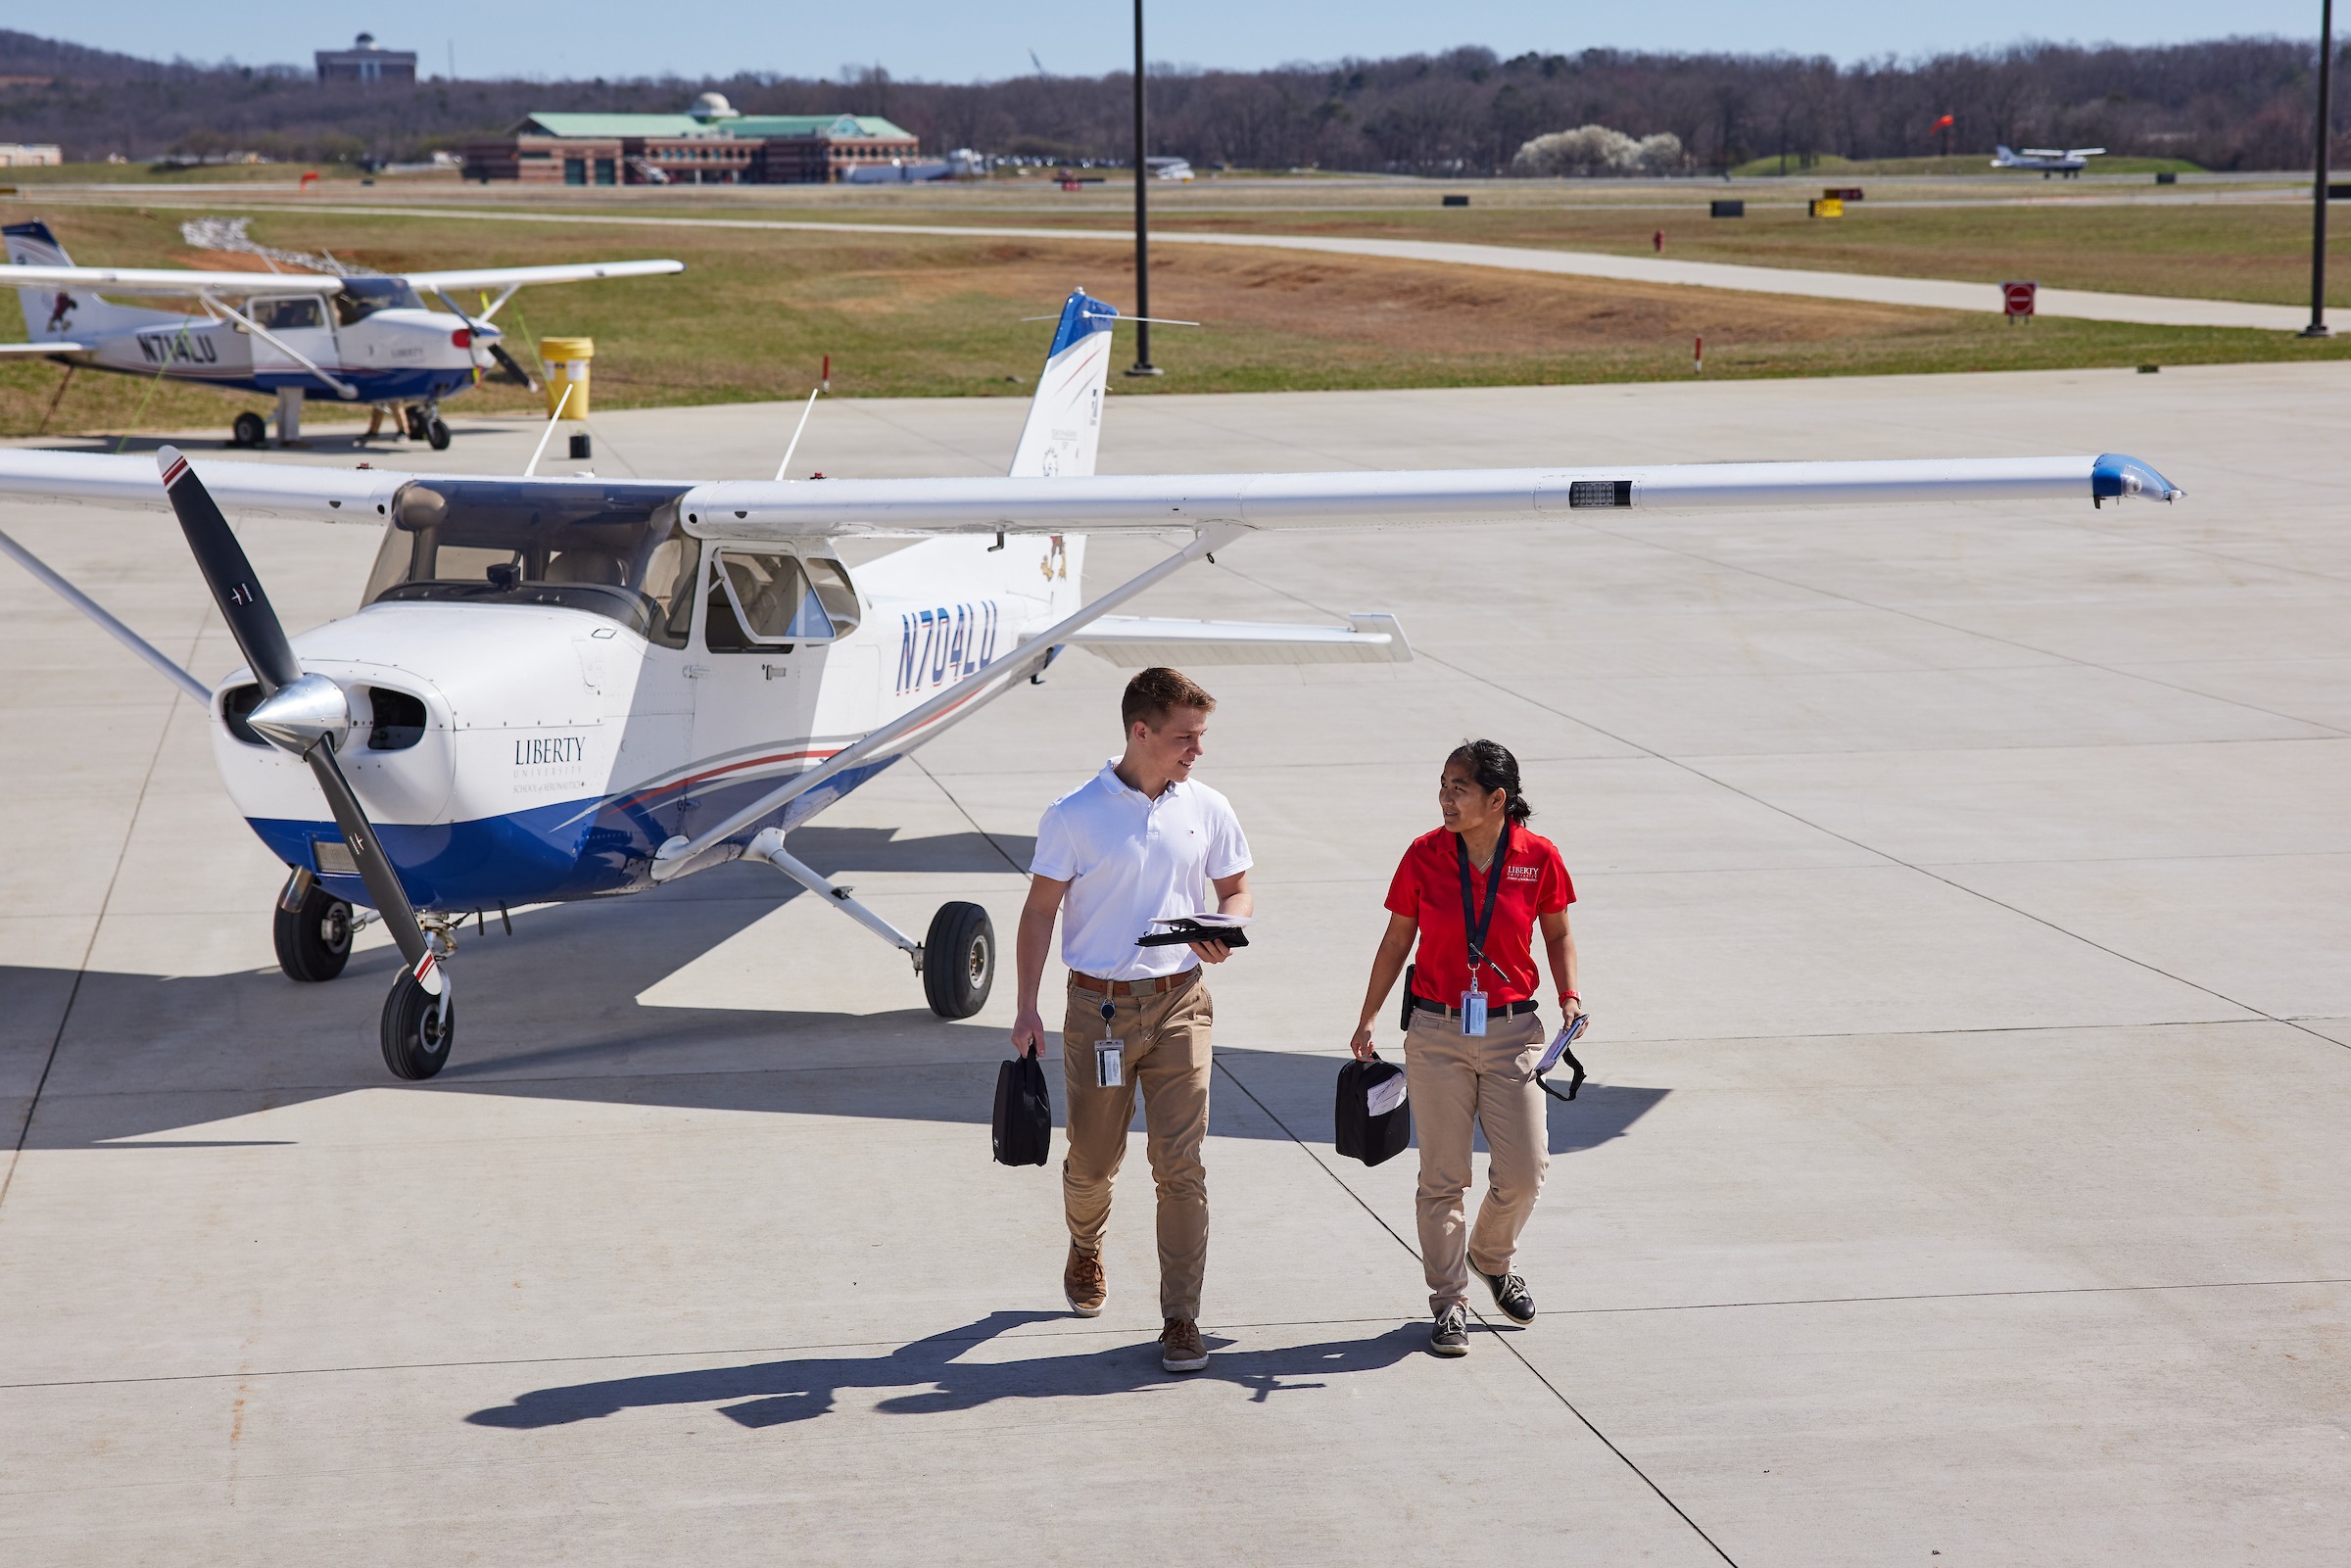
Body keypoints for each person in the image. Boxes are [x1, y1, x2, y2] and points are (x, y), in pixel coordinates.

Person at [1010, 667, 1253, 1374]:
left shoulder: (1206, 806)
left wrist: (1224, 928)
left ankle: (1181, 1316)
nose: (1196, 751)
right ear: (1140, 731)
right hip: (1100, 1010)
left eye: (1201, 737)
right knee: (1092, 1161)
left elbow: (1236, 888)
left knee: (1180, 1165)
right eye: (1185, 737)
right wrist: (1026, 1005)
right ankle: (1085, 1243)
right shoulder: (1074, 813)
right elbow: (1038, 911)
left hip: (1182, 1002)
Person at [1348, 740, 1580, 1356]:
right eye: (1443, 786)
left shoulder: (1539, 856)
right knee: (1442, 1178)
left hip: (1513, 1032)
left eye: (1460, 788)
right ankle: (1449, 1302)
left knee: (1526, 1173)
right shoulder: (1424, 855)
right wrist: (1368, 1015)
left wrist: (1570, 997)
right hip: (1436, 1033)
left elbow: (1556, 932)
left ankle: (1491, 1255)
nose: (1446, 799)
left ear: (1497, 799)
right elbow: (1397, 940)